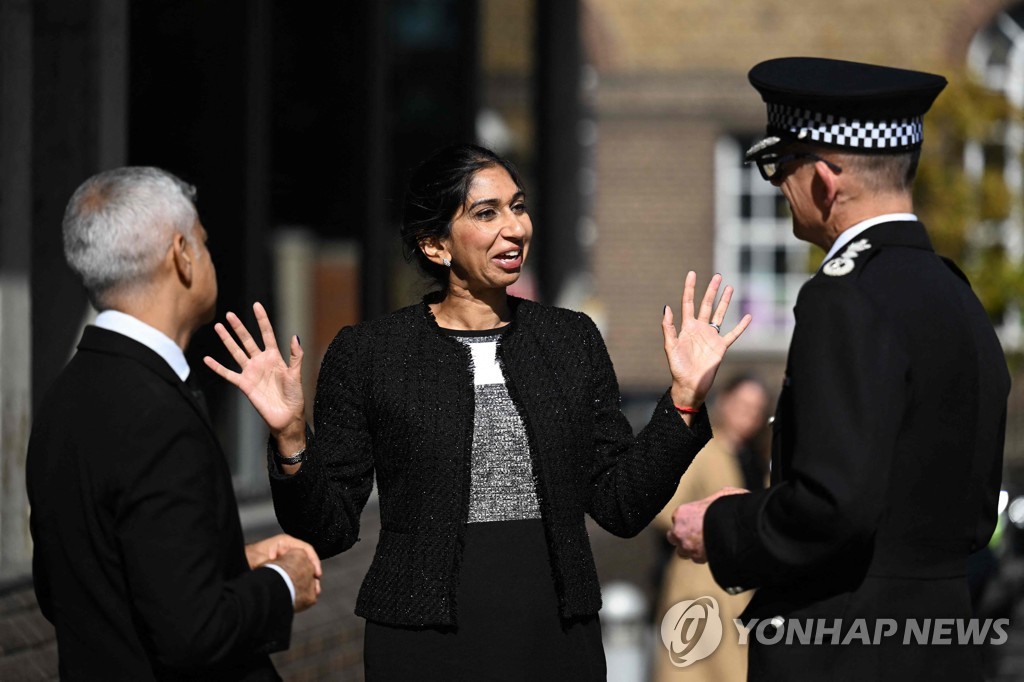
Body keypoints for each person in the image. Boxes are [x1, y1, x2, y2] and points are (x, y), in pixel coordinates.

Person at [204, 143, 751, 680]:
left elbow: (621, 506)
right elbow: (327, 528)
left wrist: (684, 399)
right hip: (422, 646)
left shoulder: (569, 340)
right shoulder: (371, 353)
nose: (515, 228)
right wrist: (291, 437)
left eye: (518, 206)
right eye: (486, 213)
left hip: (555, 638)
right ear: (436, 246)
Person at [667, 57, 1011, 681]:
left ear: (825, 178)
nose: (778, 188)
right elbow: (966, 512)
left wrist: (722, 527)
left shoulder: (845, 295)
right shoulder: (956, 295)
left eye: (781, 167)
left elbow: (833, 507)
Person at [26, 167, 323, 681]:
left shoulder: (64, 396)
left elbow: (72, 585)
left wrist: (230, 560)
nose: (210, 258)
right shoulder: (156, 414)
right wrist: (283, 581)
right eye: (204, 245)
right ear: (181, 255)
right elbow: (194, 632)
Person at [651, 374, 770, 682]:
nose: (749, 415)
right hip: (700, 580)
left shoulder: (757, 458)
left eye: (756, 409)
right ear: (725, 402)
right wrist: (708, 525)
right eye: (743, 405)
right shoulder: (704, 450)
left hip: (743, 584)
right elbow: (666, 507)